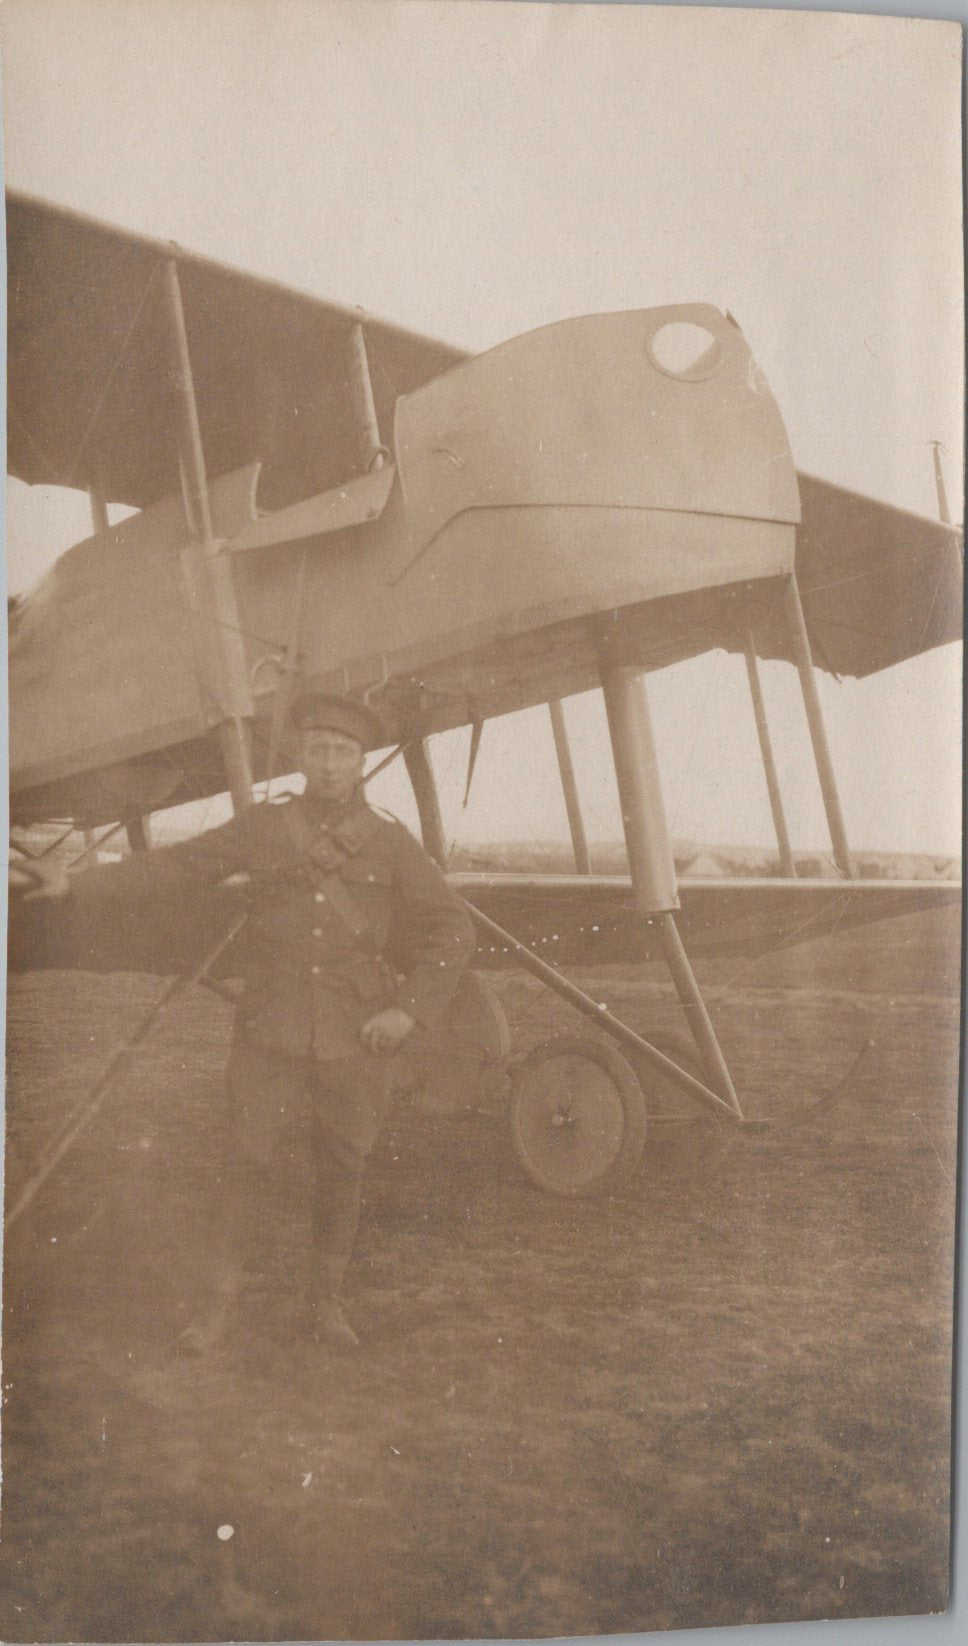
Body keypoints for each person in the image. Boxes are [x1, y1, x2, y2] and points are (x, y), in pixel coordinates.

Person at [18, 687, 477, 1353]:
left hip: (355, 1038)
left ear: (358, 761)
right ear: (300, 754)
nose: (328, 764)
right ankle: (217, 1311)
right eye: (318, 749)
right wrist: (79, 884)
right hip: (270, 1031)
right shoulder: (264, 828)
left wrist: (409, 1011)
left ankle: (326, 1305)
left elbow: (451, 928)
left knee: (343, 1168)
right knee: (243, 1163)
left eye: (342, 752)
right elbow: (178, 867)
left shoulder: (389, 840)